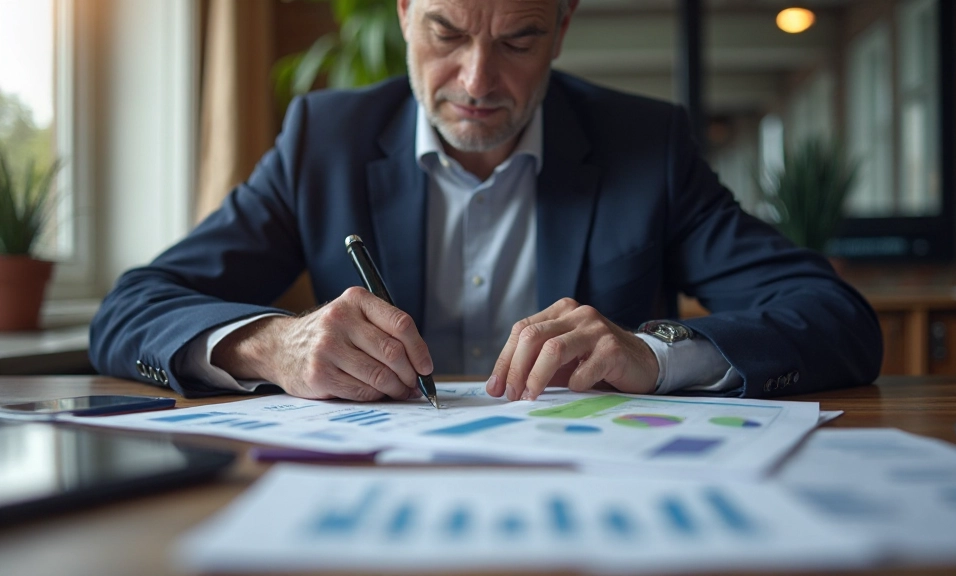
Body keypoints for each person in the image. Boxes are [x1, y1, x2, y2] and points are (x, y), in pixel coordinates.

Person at [89, 0, 882, 403]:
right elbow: (130, 310)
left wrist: (654, 354)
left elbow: (835, 318)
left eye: (518, 40)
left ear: (562, 28)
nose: (475, 81)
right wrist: (274, 346)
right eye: (446, 33)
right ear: (404, 13)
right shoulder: (322, 142)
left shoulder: (647, 146)